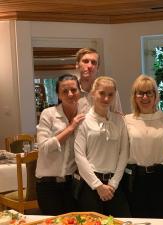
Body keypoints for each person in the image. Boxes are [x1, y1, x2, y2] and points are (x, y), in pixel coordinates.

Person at [74, 76, 130, 217]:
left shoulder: (119, 120)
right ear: (93, 93)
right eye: (102, 93)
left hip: (114, 185)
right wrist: (98, 186)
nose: (106, 98)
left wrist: (113, 184)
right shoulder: (83, 121)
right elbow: (80, 157)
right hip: (90, 185)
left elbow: (124, 154)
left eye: (110, 94)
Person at [123, 75, 163, 218]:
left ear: (155, 95)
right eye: (140, 93)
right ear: (134, 96)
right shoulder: (127, 120)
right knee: (138, 218)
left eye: (149, 92)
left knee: (161, 218)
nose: (145, 97)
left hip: (161, 177)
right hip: (135, 178)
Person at [36, 74, 85, 215]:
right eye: (65, 91)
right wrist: (70, 128)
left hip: (72, 184)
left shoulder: (84, 117)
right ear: (58, 94)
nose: (70, 94)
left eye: (74, 90)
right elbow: (44, 147)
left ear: (79, 92)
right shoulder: (48, 114)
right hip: (48, 184)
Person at [75, 47, 122, 114]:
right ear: (77, 65)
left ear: (98, 67)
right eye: (85, 61)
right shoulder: (71, 92)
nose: (89, 66)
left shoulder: (110, 90)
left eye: (93, 62)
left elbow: (118, 117)